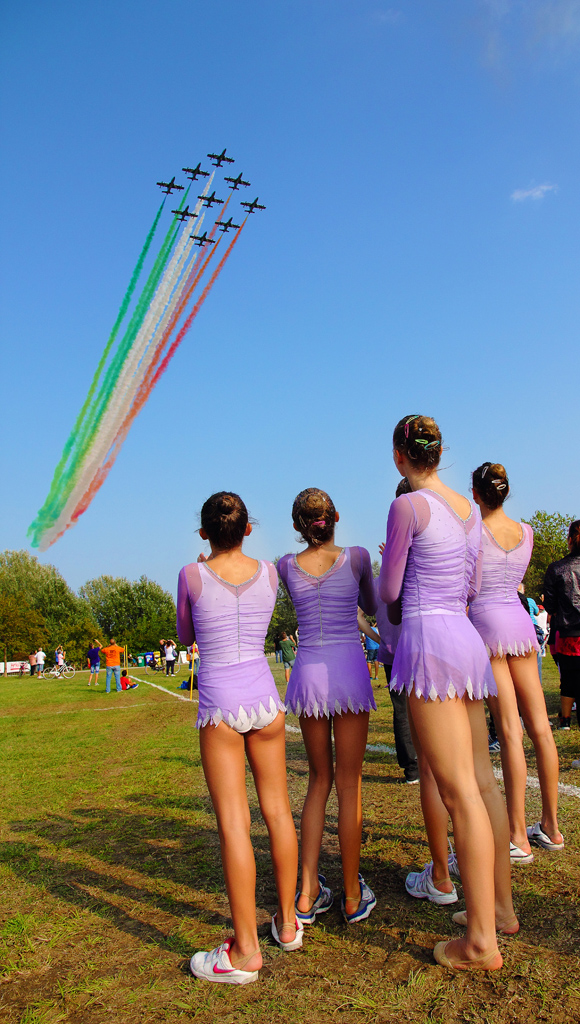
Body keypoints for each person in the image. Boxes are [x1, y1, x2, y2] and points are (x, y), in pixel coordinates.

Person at [380, 415, 515, 971]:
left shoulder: (406, 507)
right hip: (466, 641)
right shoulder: (467, 508)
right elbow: (476, 584)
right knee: (482, 785)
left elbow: (389, 590)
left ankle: (481, 941)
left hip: (428, 641)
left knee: (458, 792)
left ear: (399, 456)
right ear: (441, 452)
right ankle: (499, 910)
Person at [177, 492, 300, 985]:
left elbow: (186, 634)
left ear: (204, 532)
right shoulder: (270, 571)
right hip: (266, 700)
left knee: (234, 822)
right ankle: (288, 923)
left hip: (221, 704)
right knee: (278, 811)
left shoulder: (191, 574)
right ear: (248, 528)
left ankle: (246, 949)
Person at [278, 487, 377, 926]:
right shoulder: (356, 558)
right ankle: (353, 894)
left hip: (309, 677)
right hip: (350, 672)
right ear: (335, 516)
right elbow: (373, 606)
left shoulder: (284, 565)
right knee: (349, 784)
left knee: (318, 781)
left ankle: (307, 890)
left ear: (298, 526)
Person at [469, 463, 563, 863]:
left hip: (486, 626)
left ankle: (517, 834)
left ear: (476, 494)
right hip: (519, 624)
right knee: (540, 726)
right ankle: (552, 827)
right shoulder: (527, 531)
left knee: (510, 729)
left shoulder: (473, 532)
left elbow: (470, 587)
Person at [544, 519, 580, 730]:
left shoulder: (557, 568)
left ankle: (565, 720)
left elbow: (549, 604)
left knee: (568, 677)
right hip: (569, 632)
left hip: (568, 634)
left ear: (569, 540)